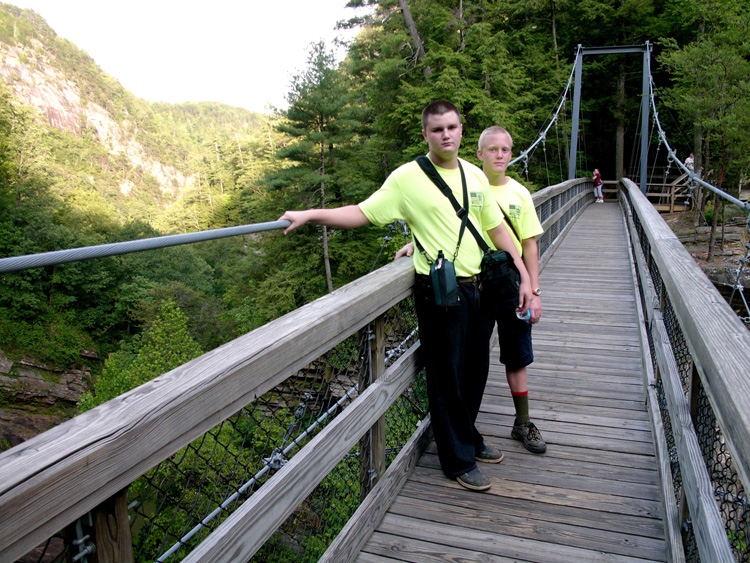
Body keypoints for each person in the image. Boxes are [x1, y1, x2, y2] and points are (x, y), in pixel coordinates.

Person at [279, 100, 532, 492]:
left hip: (479, 286)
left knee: (475, 371)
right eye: (437, 129)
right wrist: (312, 214)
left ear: (462, 130)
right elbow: (361, 213)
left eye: (452, 127)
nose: (446, 134)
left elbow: (496, 228)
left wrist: (524, 271)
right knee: (447, 376)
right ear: (425, 134)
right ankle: (457, 460)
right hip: (441, 292)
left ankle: (468, 436)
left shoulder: (474, 175)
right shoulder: (406, 178)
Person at [396, 125, 547, 455]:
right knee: (472, 356)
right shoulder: (464, 185)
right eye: (492, 149)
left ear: (512, 153)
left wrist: (533, 289)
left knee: (517, 349)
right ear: (479, 154)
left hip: (508, 282)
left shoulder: (519, 193)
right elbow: (446, 227)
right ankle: (467, 430)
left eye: (505, 149)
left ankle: (523, 421)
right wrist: (416, 244)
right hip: (476, 284)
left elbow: (529, 245)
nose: (499, 155)